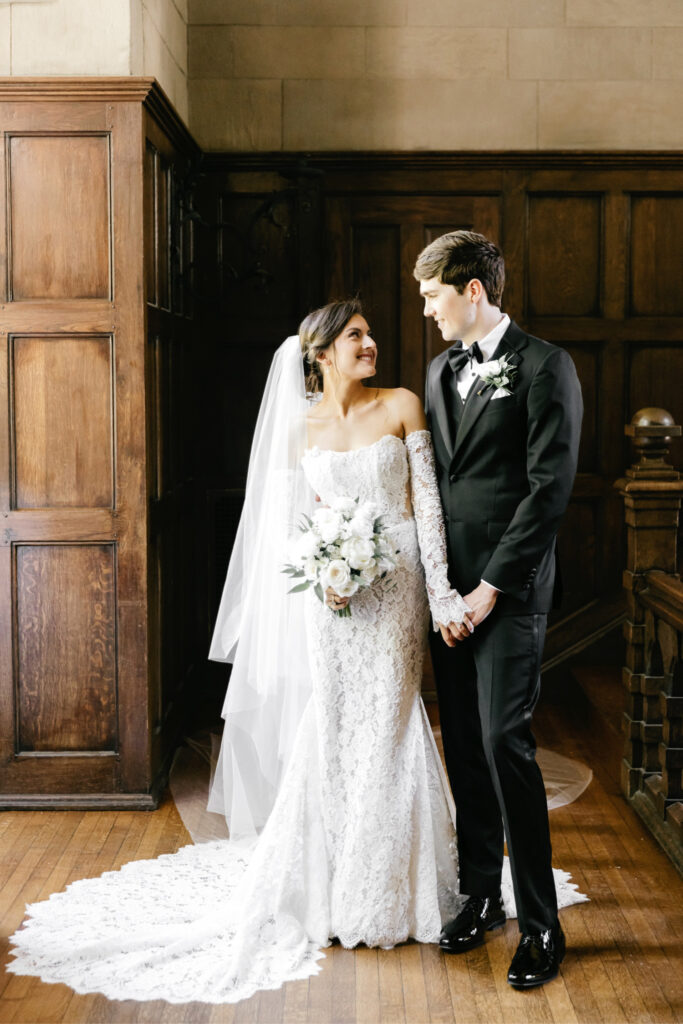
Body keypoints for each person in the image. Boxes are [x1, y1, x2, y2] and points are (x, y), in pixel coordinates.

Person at [7, 299, 584, 1005]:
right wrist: (325, 573)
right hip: (335, 604)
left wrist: (439, 597)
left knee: (392, 724)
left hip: (398, 592)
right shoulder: (299, 426)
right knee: (335, 726)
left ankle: (405, 891)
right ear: (319, 354)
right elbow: (294, 522)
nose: (371, 343)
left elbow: (428, 508)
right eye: (355, 337)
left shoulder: (406, 400)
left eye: (370, 333)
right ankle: (329, 884)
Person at [415, 231, 583, 989]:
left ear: (472, 291)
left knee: (502, 740)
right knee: (463, 748)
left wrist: (489, 590)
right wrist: (441, 590)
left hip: (507, 593)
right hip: (448, 595)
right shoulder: (437, 370)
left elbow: (547, 490)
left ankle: (541, 926)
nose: (427, 311)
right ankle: (481, 894)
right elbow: (433, 488)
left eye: (433, 295)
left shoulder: (547, 367)